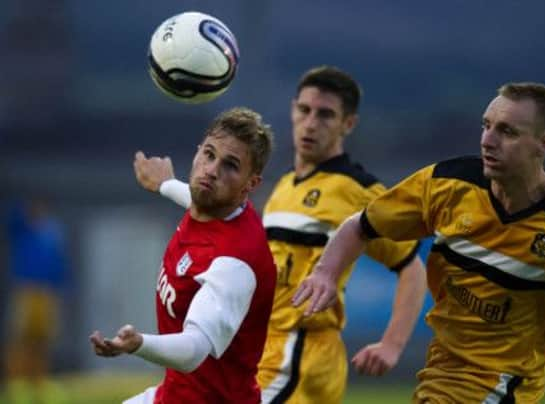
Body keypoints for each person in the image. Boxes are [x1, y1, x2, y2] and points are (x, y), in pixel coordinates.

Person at [292, 82, 545, 403]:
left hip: (501, 390)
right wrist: (325, 272)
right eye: (486, 125)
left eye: (507, 132)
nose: (488, 140)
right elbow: (361, 225)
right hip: (439, 379)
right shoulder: (446, 185)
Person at [134, 65, 427, 403]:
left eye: (326, 115)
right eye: (304, 110)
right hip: (266, 348)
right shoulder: (284, 185)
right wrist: (167, 185)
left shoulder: (358, 190)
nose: (311, 123)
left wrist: (392, 344)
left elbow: (411, 266)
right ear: (292, 110)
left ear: (348, 124)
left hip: (302, 352)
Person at [89, 107, 277, 404]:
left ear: (250, 185)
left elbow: (193, 351)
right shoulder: (219, 208)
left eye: (230, 165)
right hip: (176, 395)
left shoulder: (234, 263)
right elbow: (197, 198)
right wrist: (164, 184)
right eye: (209, 154)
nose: (212, 170)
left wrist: (138, 344)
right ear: (197, 152)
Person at [3, 199, 71, 404]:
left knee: (43, 341)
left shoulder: (52, 232)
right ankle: (15, 384)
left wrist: (62, 288)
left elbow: (59, 262)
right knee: (20, 340)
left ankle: (40, 384)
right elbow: (9, 223)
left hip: (48, 293)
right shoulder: (22, 228)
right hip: (25, 289)